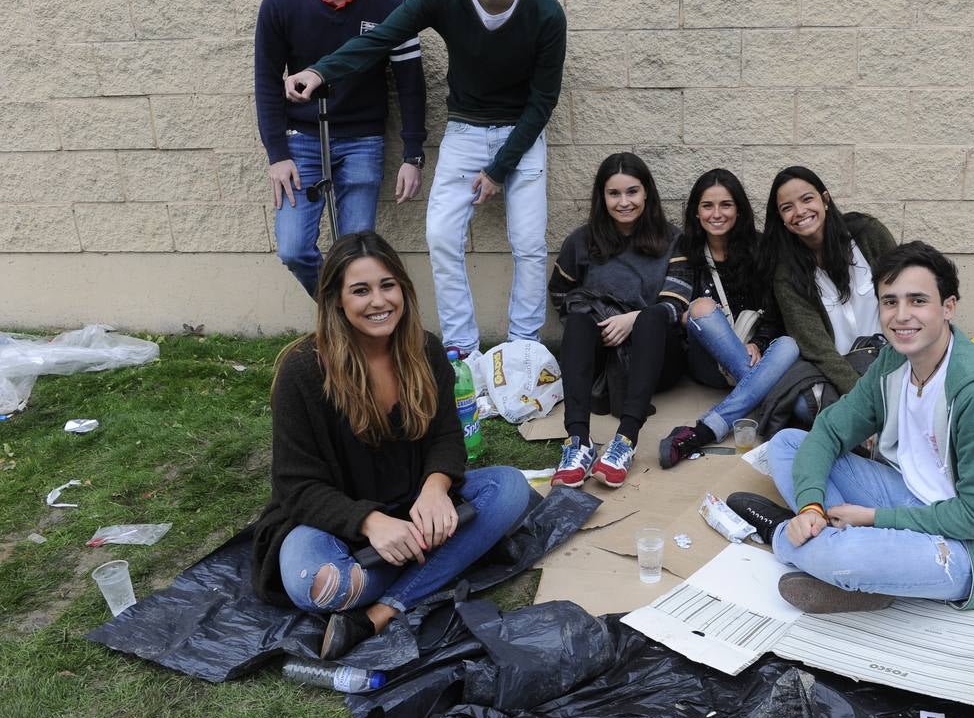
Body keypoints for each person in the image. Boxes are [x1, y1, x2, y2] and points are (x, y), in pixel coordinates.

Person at [286, 0, 565, 360]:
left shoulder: (545, 12)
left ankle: (524, 349)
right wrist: (320, 73)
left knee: (531, 244)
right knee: (440, 236)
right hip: (465, 130)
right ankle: (462, 348)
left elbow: (543, 103)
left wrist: (498, 170)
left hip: (522, 133)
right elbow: (382, 37)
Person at [250, 231, 531, 660]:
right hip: (333, 524)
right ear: (335, 301)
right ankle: (454, 555)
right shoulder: (303, 371)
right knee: (315, 583)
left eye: (387, 286)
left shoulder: (424, 350)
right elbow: (296, 486)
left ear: (403, 289)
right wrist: (371, 523)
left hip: (413, 508)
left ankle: (381, 610)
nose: (378, 302)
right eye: (360, 290)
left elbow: (446, 437)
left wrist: (436, 487)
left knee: (510, 488)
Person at [728, 241, 974, 614]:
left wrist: (874, 519)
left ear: (948, 307)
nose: (901, 315)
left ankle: (783, 533)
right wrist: (810, 505)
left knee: (848, 554)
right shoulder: (893, 361)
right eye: (890, 301)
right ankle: (823, 533)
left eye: (918, 300)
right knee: (788, 443)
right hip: (908, 492)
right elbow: (829, 430)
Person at [254, 0, 427, 298]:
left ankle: (356, 328)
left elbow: (411, 85)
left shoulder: (390, 7)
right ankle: (342, 315)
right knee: (294, 248)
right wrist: (277, 155)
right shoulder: (281, 2)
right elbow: (265, 81)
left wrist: (412, 155)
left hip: (363, 140)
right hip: (301, 142)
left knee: (358, 257)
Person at [547, 153, 682, 489]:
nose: (624, 202)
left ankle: (626, 440)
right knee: (578, 321)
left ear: (646, 193)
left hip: (655, 357)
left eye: (632, 192)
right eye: (614, 194)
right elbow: (560, 295)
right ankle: (578, 441)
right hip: (603, 358)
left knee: (652, 317)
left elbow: (678, 304)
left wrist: (632, 320)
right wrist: (600, 323)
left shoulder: (672, 239)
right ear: (602, 197)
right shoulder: (581, 241)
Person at [655, 169, 800, 468]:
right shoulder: (688, 249)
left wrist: (759, 342)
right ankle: (771, 400)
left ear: (739, 210)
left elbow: (774, 311)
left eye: (726, 205)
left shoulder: (760, 249)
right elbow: (677, 301)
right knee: (702, 308)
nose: (716, 214)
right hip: (708, 363)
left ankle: (705, 429)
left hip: (754, 358)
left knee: (788, 344)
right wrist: (688, 317)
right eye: (708, 206)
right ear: (696, 211)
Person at [763, 166, 896, 399]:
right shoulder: (787, 274)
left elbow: (908, 294)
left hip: (892, 357)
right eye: (787, 208)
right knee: (803, 404)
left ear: (825, 199)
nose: (800, 211)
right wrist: (861, 395)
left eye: (807, 199)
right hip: (839, 372)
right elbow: (818, 348)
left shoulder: (867, 235)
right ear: (782, 220)